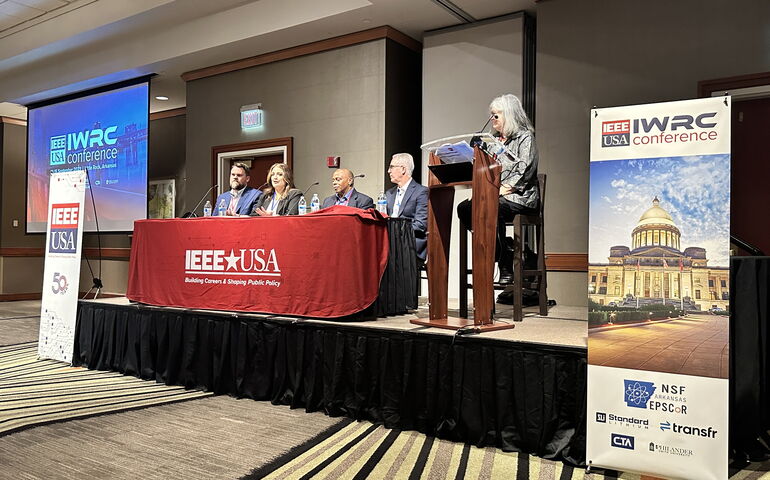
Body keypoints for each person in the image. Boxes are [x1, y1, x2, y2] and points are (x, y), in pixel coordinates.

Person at [457, 93, 539, 284]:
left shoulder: (525, 137)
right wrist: (474, 153)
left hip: (520, 197)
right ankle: (502, 250)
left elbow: (525, 168)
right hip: (495, 196)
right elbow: (484, 170)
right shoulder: (493, 141)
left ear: (509, 115)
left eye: (496, 115)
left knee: (493, 207)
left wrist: (503, 189)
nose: (492, 119)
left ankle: (504, 264)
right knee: (464, 208)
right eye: (491, 115)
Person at [386, 153, 429, 263]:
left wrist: (395, 231)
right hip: (390, 243)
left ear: (403, 169)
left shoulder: (421, 192)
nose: (388, 171)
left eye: (391, 167)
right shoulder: (389, 194)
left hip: (409, 243)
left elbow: (420, 225)